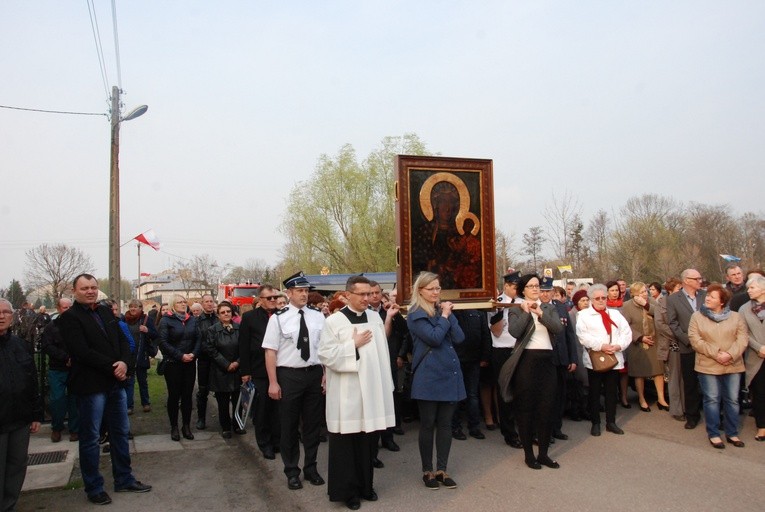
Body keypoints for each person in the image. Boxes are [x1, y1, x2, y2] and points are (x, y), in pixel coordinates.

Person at [58, 274, 151, 505]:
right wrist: (114, 367)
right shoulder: (69, 318)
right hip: (91, 386)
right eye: (84, 288)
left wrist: (124, 363)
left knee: (120, 433)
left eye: (93, 287)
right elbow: (82, 352)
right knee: (91, 438)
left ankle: (124, 478)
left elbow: (122, 341)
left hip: (114, 384)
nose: (89, 291)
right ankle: (94, 487)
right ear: (74, 290)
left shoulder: (105, 312)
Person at [319, 276, 396, 510]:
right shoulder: (335, 321)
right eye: (361, 294)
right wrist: (352, 345)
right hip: (347, 392)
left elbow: (382, 355)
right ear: (347, 295)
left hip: (371, 389)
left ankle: (366, 486)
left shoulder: (374, 318)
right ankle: (347, 492)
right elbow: (325, 354)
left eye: (369, 294)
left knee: (367, 441)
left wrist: (385, 385)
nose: (366, 298)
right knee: (346, 443)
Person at [263, 271, 326, 491]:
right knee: (289, 426)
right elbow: (270, 352)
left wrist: (325, 373)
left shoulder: (318, 316)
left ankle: (311, 467)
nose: (304, 295)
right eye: (299, 291)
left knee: (312, 425)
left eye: (306, 291)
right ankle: (292, 471)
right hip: (289, 375)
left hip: (313, 373)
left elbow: (324, 348)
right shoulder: (278, 318)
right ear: (289, 293)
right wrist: (273, 382)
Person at [498, 274, 563, 470]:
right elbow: (515, 332)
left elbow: (558, 328)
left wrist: (540, 313)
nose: (535, 289)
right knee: (526, 409)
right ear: (523, 290)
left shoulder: (548, 308)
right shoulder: (516, 309)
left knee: (546, 409)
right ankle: (529, 454)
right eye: (531, 286)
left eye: (537, 286)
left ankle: (543, 454)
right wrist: (527, 312)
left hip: (547, 363)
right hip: (527, 362)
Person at [407, 271, 465, 489]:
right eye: (431, 288)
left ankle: (442, 469)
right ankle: (427, 470)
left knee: (445, 425)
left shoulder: (443, 311)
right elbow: (434, 337)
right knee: (428, 423)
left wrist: (449, 315)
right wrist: (444, 317)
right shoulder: (415, 314)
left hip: (449, 373)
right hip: (429, 376)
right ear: (420, 290)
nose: (435, 292)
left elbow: (459, 338)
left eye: (438, 288)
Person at [688, 283, 747, 448]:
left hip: (733, 364)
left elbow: (742, 339)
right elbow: (695, 340)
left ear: (722, 302)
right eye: (707, 295)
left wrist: (730, 354)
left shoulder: (736, 317)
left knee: (733, 400)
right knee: (712, 399)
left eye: (712, 297)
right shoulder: (697, 317)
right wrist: (717, 353)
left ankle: (732, 433)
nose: (707, 298)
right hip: (708, 364)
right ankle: (713, 434)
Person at [0, 298, 42, 511]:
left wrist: (36, 414)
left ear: (12, 316)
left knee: (16, 468)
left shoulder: (19, 345)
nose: (1, 316)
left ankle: (9, 506)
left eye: (6, 312)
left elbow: (31, 381)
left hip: (20, 420)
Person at [576, 284, 632, 437]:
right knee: (594, 392)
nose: (601, 301)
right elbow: (583, 336)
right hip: (595, 359)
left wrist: (618, 346)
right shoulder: (583, 315)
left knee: (611, 392)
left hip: (613, 358)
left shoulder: (615, 314)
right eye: (597, 298)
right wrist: (601, 346)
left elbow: (626, 332)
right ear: (591, 300)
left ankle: (611, 422)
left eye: (603, 298)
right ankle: (595, 423)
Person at [239, 285, 281, 459]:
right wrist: (245, 371)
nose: (273, 300)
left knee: (278, 409)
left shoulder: (282, 316)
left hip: (281, 368)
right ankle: (265, 444)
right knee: (263, 408)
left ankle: (278, 441)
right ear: (260, 300)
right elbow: (244, 345)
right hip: (259, 369)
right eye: (269, 298)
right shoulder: (249, 318)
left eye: (275, 297)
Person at [666, 269, 706, 430]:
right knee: (689, 383)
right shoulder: (674, 299)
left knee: (710, 383)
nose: (700, 281)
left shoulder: (705, 296)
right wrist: (688, 340)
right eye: (696, 279)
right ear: (687, 281)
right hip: (687, 347)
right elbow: (673, 323)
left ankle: (716, 416)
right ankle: (692, 416)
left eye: (700, 278)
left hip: (707, 346)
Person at [158, 295, 201, 441]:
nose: (183, 304)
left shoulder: (192, 320)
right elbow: (163, 342)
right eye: (179, 302)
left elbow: (198, 339)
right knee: (174, 396)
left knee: (187, 396)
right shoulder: (166, 320)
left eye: (184, 302)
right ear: (172, 305)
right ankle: (174, 427)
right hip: (173, 364)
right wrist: (180, 355)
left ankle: (186, 426)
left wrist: (193, 354)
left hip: (189, 363)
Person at [539, 278, 578, 441]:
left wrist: (572, 359)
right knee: (545, 397)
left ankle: (556, 428)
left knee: (560, 395)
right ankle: (544, 431)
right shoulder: (535, 308)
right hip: (545, 359)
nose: (545, 294)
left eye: (548, 291)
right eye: (542, 291)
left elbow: (569, 335)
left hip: (561, 358)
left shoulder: (561, 307)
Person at [487, 271, 522, 448]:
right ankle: (509, 433)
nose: (518, 290)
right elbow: (497, 331)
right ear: (506, 286)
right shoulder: (496, 303)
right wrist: (502, 310)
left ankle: (525, 429)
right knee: (506, 392)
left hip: (521, 350)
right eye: (515, 287)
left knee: (523, 391)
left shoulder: (523, 302)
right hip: (502, 350)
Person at [622, 282, 669, 412]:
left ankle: (661, 399)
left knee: (658, 371)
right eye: (641, 292)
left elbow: (661, 315)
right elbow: (625, 326)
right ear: (633, 294)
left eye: (645, 291)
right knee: (639, 373)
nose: (645, 294)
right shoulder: (626, 306)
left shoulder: (652, 302)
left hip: (654, 341)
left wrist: (646, 305)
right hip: (638, 343)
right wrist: (640, 337)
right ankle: (642, 399)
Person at [40, 297, 79, 442]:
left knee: (75, 399)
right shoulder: (51, 327)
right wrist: (64, 357)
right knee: (57, 399)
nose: (68, 310)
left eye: (70, 307)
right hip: (57, 368)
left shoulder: (78, 326)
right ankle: (56, 428)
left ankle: (75, 429)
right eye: (64, 307)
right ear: (58, 309)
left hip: (75, 368)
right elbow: (47, 346)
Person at [451, 308, 491, 441]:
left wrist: (485, 356)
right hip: (456, 359)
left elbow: (485, 334)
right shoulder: (452, 310)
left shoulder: (478, 312)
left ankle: (474, 427)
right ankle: (455, 427)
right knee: (456, 395)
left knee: (472, 395)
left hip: (474, 360)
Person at [205, 303, 244, 438]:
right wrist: (226, 364)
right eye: (223, 312)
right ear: (218, 315)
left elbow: (244, 348)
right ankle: (226, 427)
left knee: (238, 400)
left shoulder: (240, 328)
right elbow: (211, 349)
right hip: (220, 371)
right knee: (222, 402)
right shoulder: (212, 330)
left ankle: (238, 424)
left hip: (237, 369)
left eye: (228, 311)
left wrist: (237, 362)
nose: (226, 314)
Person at [655, 278, 685, 421]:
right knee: (675, 378)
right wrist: (679, 335)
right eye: (679, 288)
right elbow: (660, 325)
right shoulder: (662, 303)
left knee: (686, 379)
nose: (681, 291)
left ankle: (687, 407)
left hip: (687, 343)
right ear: (670, 290)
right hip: (673, 344)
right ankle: (677, 409)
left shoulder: (684, 302)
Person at [741, 274, 765, 441]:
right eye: (748, 288)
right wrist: (759, 347)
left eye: (752, 288)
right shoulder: (744, 309)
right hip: (756, 358)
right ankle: (762, 427)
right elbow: (743, 333)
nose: (748, 290)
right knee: (759, 394)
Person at [123, 300, 158, 414]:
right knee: (129, 382)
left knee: (143, 381)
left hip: (141, 355)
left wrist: (147, 330)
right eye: (131, 307)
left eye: (135, 307)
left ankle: (146, 403)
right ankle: (129, 406)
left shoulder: (146, 320)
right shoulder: (124, 320)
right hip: (128, 357)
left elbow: (155, 335)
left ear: (140, 308)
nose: (132, 309)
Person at [195, 294, 218, 430]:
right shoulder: (197, 321)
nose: (209, 304)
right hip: (204, 359)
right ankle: (201, 418)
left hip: (218, 360)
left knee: (222, 390)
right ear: (202, 304)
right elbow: (198, 340)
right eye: (206, 302)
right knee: (203, 390)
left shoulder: (218, 318)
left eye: (211, 301)